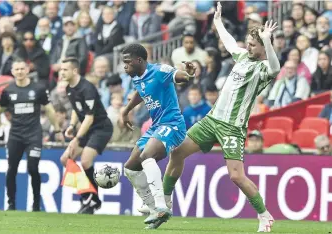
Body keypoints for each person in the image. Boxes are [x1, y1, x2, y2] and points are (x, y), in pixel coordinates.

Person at [159, 2, 281, 232]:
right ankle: (164, 202)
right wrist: (216, 22)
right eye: (249, 43)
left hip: (232, 128)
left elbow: (276, 68)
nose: (249, 47)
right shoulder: (243, 57)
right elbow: (229, 42)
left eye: (254, 45)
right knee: (176, 152)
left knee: (236, 176)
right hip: (211, 121)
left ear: (263, 46)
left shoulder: (263, 67)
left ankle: (264, 215)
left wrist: (266, 40)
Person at [118, 44, 196, 229]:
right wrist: (127, 110)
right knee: (130, 168)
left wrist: (189, 74)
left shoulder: (160, 70)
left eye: (128, 62)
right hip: (156, 127)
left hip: (173, 125)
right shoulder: (138, 77)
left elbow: (180, 76)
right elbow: (141, 91)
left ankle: (161, 205)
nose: (125, 67)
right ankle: (153, 208)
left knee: (146, 155)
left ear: (139, 60)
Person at [0, 58, 64, 211]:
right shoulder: (8, 91)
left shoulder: (38, 89)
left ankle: (35, 204)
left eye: (22, 69)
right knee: (11, 169)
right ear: (13, 72)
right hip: (15, 136)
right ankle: (11, 204)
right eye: (17, 69)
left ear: (28, 70)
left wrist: (58, 130)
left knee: (33, 168)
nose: (20, 72)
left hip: (33, 135)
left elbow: (49, 110)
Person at [59, 57, 113, 214]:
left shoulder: (87, 88)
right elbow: (77, 110)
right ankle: (87, 196)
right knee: (65, 159)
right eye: (61, 70)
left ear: (74, 71)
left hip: (101, 128)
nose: (61, 72)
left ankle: (94, 199)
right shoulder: (69, 88)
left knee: (85, 160)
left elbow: (89, 117)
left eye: (65, 70)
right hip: (87, 128)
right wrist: (71, 125)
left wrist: (76, 139)